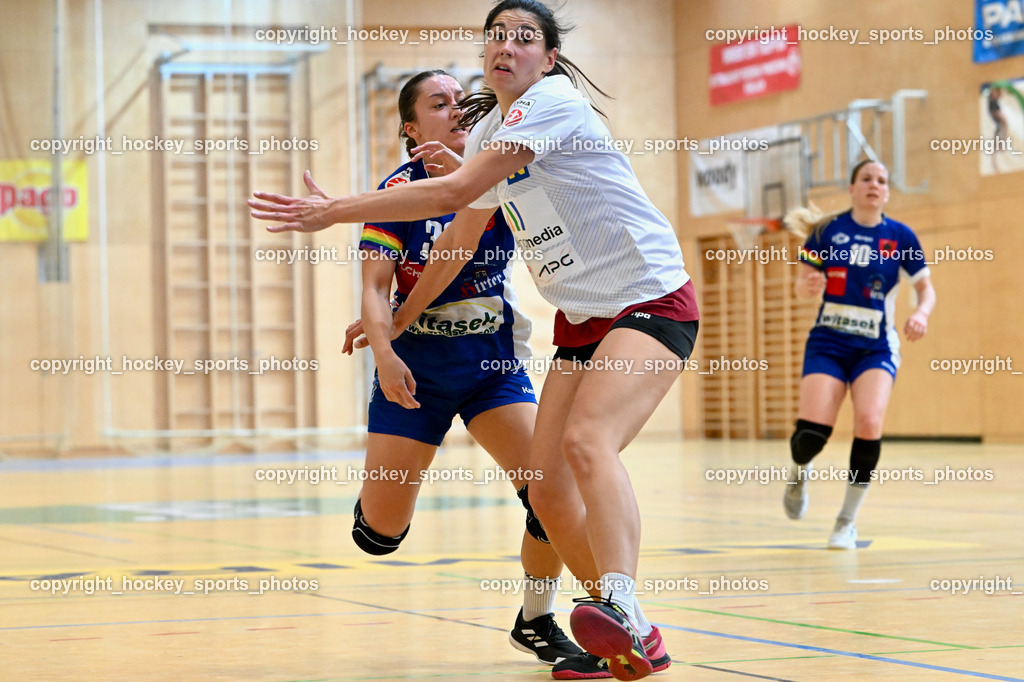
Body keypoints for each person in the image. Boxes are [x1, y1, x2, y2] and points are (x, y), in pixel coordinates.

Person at [249, 2, 693, 678]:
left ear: (547, 58)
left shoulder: (552, 102)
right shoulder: (489, 132)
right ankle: (619, 646)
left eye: (524, 38)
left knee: (584, 443)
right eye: (496, 37)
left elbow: (452, 191)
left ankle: (624, 613)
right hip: (577, 319)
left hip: (648, 298)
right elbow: (454, 242)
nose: (506, 47)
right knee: (544, 489)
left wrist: (335, 209)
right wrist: (394, 327)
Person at [337, 68, 581, 666]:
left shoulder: (497, 178)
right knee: (379, 537)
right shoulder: (397, 193)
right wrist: (386, 350)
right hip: (416, 369)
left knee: (548, 492)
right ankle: (376, 501)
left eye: (461, 102)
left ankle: (536, 615)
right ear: (411, 127)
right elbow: (373, 288)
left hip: (491, 365)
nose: (457, 110)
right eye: (439, 103)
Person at [782, 159, 936, 550]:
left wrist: (920, 313)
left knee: (869, 422)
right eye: (866, 178)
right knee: (809, 438)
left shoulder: (901, 237)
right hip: (829, 343)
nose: (874, 185)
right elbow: (801, 286)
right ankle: (800, 472)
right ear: (851, 189)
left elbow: (926, 290)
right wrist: (809, 283)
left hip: (876, 347)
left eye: (882, 180)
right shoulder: (826, 232)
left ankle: (846, 521)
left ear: (886, 192)